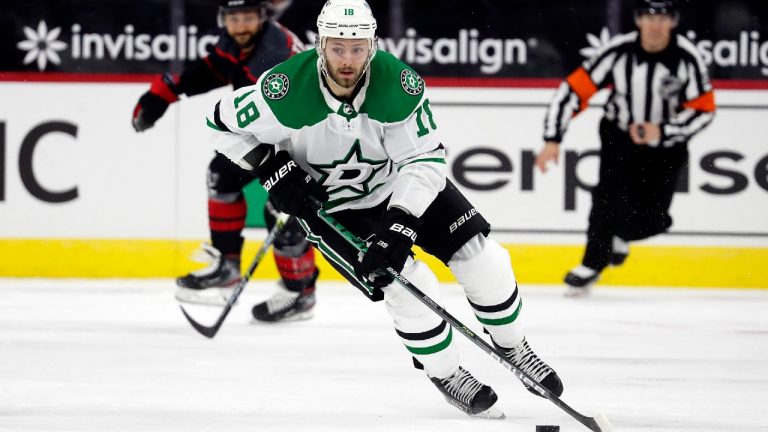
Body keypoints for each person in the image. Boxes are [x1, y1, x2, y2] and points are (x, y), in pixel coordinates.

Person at [207, 0, 563, 418]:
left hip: (398, 187)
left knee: (483, 259)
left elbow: (425, 160)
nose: (347, 60)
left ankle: (514, 346)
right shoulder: (283, 89)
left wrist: (401, 221)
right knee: (406, 285)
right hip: (332, 208)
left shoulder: (399, 84)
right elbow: (219, 123)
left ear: (372, 45)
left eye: (357, 48)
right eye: (337, 48)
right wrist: (270, 167)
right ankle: (446, 373)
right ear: (320, 45)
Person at [131, 0, 319, 322]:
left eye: (248, 17)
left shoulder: (271, 55)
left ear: (262, 17)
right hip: (271, 128)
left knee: (284, 210)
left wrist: (284, 172)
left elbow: (286, 116)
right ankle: (228, 266)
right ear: (224, 21)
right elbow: (210, 69)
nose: (241, 26)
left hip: (309, 139)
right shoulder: (241, 44)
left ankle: (300, 292)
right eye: (234, 19)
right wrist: (163, 92)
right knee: (222, 174)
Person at [536, 0, 716, 297]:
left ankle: (621, 235)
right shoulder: (618, 52)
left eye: (663, 18)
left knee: (656, 218)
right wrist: (553, 138)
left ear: (673, 22)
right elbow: (573, 90)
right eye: (649, 17)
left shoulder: (687, 57)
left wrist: (664, 131)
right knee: (606, 198)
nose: (655, 25)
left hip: (666, 149)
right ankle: (592, 263)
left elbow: (704, 109)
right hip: (619, 137)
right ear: (638, 20)